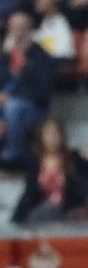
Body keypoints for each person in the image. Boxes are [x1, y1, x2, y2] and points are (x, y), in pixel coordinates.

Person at [0, 10, 56, 168]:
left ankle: (13, 156)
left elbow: (42, 92)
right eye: (14, 28)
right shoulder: (5, 58)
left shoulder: (42, 57)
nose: (18, 32)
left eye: (22, 28)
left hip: (33, 108)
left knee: (13, 107)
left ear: (30, 29)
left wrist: (10, 98)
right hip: (4, 107)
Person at [13, 118, 88, 225]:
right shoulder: (33, 161)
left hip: (67, 214)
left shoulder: (73, 158)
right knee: (48, 210)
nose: (52, 138)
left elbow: (83, 185)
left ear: (61, 136)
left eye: (55, 133)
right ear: (41, 137)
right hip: (39, 212)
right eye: (48, 134)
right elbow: (29, 193)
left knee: (53, 209)